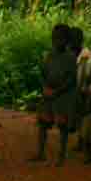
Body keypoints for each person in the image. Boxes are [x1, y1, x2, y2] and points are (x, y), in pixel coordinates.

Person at [30, 23, 77, 166]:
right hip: (49, 92)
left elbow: (71, 80)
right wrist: (45, 88)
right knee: (43, 123)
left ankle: (61, 156)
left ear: (67, 40)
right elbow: (43, 73)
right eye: (55, 37)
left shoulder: (70, 57)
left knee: (63, 126)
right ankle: (40, 152)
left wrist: (57, 91)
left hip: (63, 95)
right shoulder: (49, 55)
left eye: (61, 38)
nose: (57, 40)